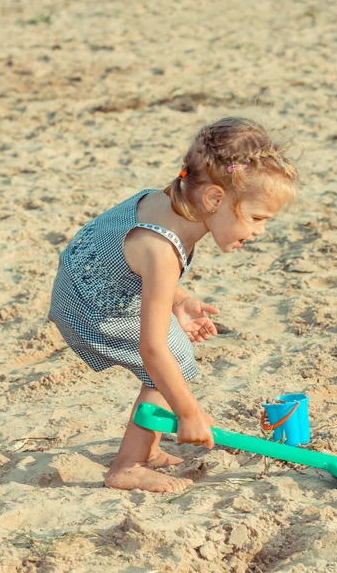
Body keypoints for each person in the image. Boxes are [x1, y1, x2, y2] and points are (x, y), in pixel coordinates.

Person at [48, 117, 299, 493]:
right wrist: (188, 411)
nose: (260, 230)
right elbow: (152, 349)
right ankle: (128, 466)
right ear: (215, 198)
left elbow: (126, 264)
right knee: (171, 360)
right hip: (93, 309)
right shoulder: (162, 249)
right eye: (257, 218)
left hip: (79, 280)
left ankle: (146, 450)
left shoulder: (165, 200)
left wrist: (178, 300)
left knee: (172, 349)